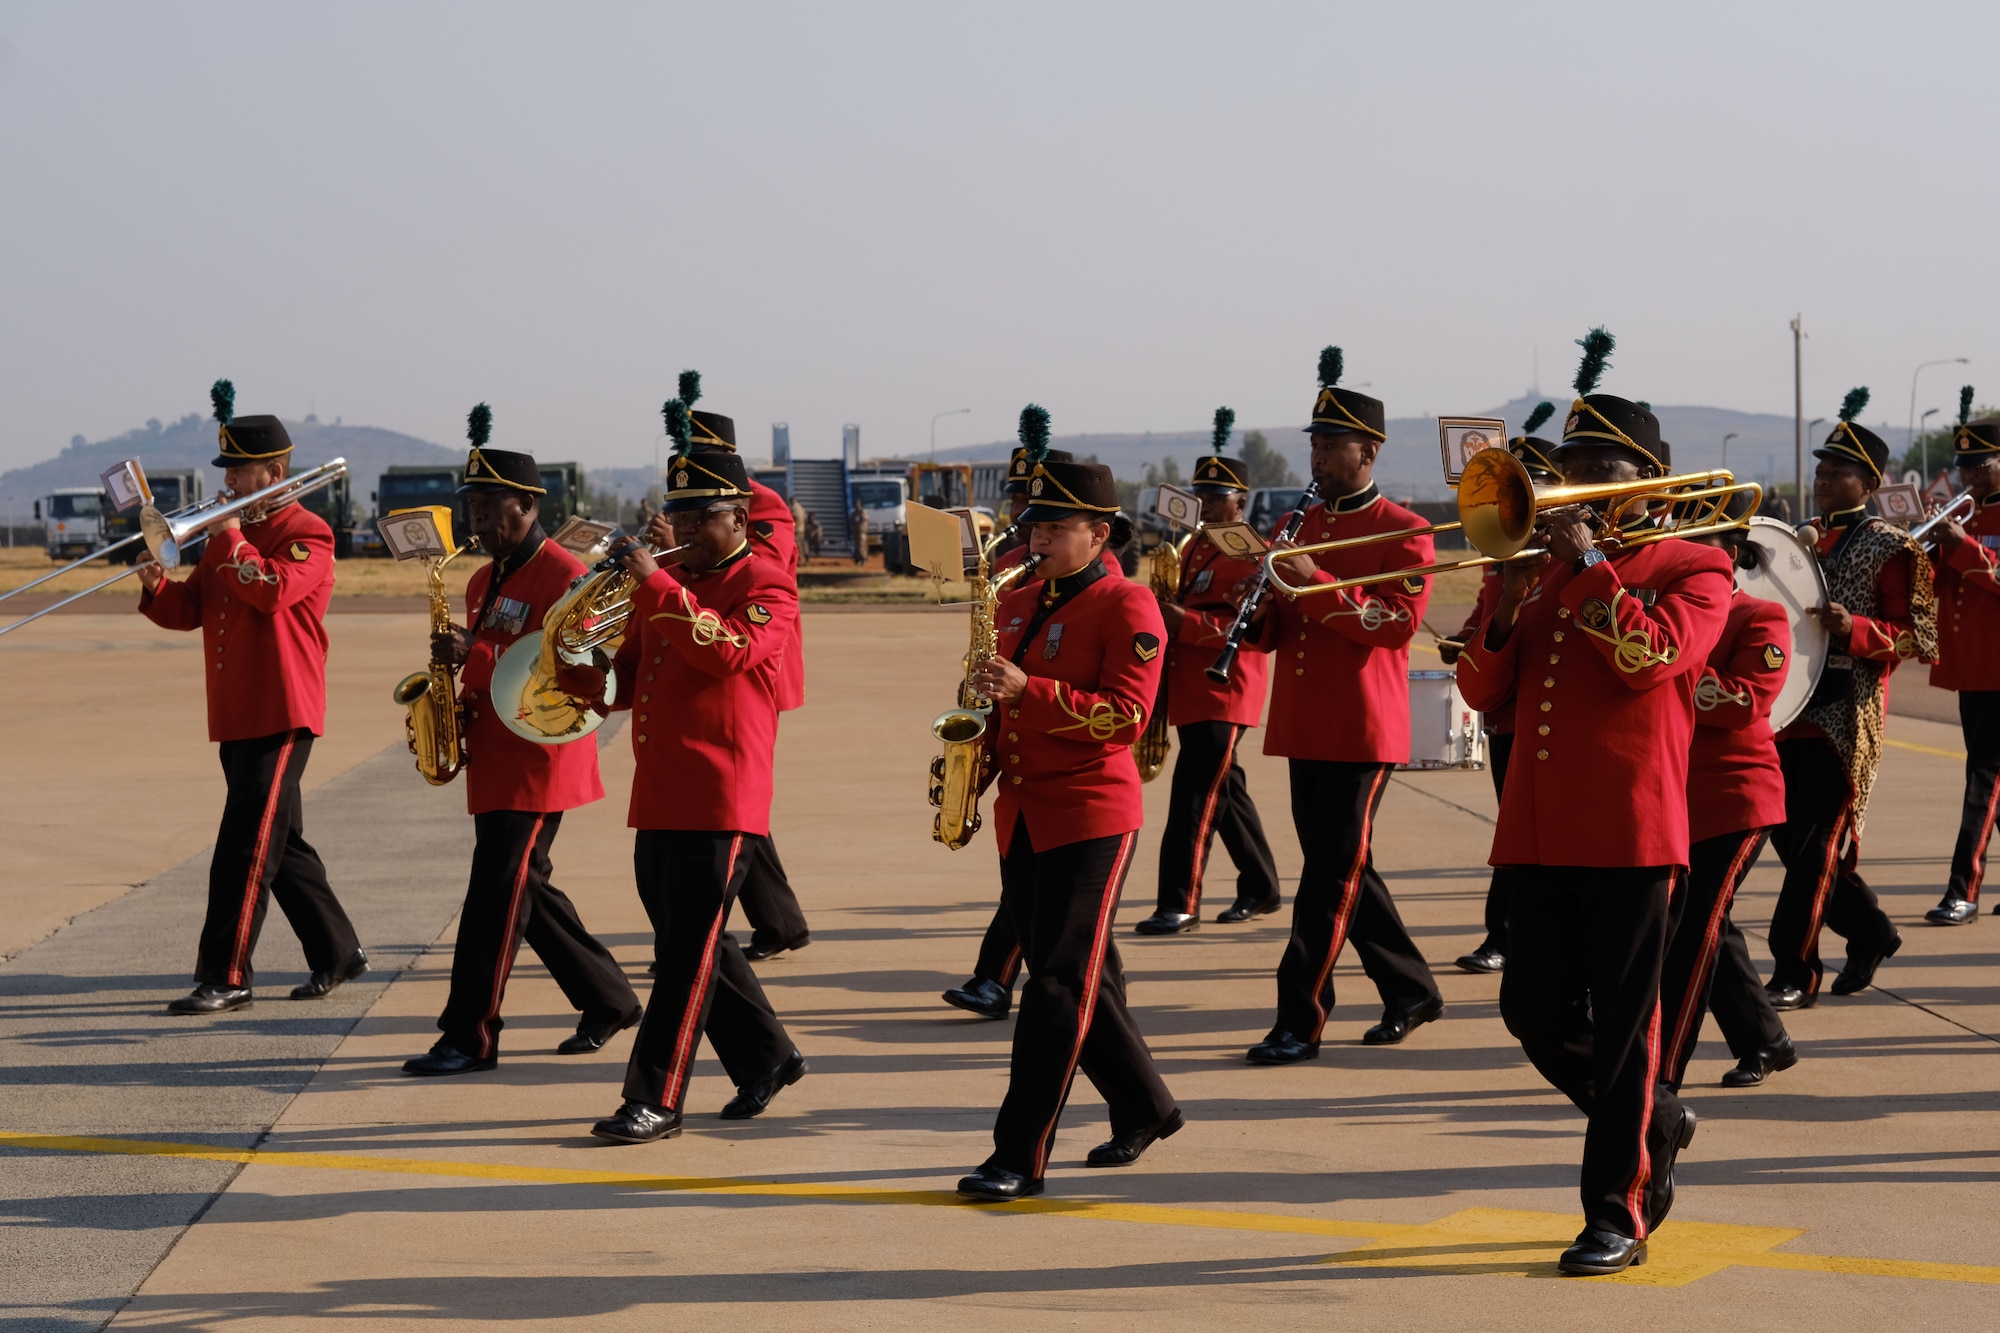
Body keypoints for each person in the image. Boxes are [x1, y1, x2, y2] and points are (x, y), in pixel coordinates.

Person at [1454, 330, 1727, 1274]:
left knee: (1622, 1032)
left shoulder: (1695, 566)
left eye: (1596, 469)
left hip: (1629, 831)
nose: (1571, 483)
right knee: (1530, 1009)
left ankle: (1617, 1210)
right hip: (1535, 830)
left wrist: (1596, 568)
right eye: (1566, 466)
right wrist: (1501, 600)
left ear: (1645, 482)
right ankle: (1655, 1118)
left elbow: (1654, 658)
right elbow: (1483, 693)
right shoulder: (1533, 573)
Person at [955, 452, 1181, 1200]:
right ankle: (1147, 1105)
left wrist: (1032, 689)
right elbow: (998, 706)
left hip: (1091, 814)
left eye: (1053, 528)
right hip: (1022, 815)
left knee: (1053, 986)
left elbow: (1126, 718)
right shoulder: (1018, 601)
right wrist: (972, 761)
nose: (1037, 540)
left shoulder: (1128, 606)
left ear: (1100, 532)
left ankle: (1018, 1153)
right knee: (1089, 981)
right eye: (1034, 526)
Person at [565, 449, 806, 1144]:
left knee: (683, 958)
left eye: (704, 517)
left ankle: (657, 1096)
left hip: (722, 791)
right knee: (690, 941)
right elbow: (632, 672)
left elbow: (728, 649)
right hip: (662, 786)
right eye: (681, 515)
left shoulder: (767, 581)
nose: (688, 528)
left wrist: (659, 589)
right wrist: (573, 665)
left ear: (741, 517)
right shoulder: (673, 581)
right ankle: (769, 1056)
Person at [400, 413, 641, 1076]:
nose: (478, 520)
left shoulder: (565, 576)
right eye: (471, 507)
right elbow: (494, 661)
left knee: (492, 899)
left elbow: (568, 668)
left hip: (541, 760)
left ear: (527, 505)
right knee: (525, 893)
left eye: (488, 507)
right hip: (497, 759)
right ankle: (609, 997)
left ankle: (470, 1034)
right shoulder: (485, 579)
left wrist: (474, 651)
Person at [137, 379, 366, 1015]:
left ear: (276, 470)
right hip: (237, 710)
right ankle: (339, 950)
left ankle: (227, 974)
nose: (230, 483)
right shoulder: (222, 537)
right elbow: (193, 612)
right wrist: (158, 585)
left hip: (283, 708)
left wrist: (231, 534)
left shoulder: (308, 531)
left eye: (240, 472)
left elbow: (270, 591)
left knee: (244, 846)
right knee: (280, 841)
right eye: (229, 472)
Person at [1244, 346, 1444, 1063]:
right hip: (1304, 719)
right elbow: (1273, 634)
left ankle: (1299, 1014)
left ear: (1370, 450)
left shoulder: (1405, 528)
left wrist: (1313, 578)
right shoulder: (1299, 523)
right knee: (1344, 867)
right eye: (1316, 444)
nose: (1319, 455)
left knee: (1328, 875)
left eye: (1332, 444)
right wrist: (1261, 596)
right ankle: (1411, 988)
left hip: (1364, 726)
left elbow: (1393, 625)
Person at [1766, 392, 1935, 1007]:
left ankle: (1794, 969)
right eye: (1820, 471)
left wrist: (1855, 629)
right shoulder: (1796, 542)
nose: (1823, 480)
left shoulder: (1893, 546)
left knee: (1811, 854)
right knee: (1794, 845)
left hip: (1843, 715)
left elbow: (1920, 635)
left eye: (1837, 472)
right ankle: (1873, 932)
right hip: (1786, 711)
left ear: (1870, 480)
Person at [661, 375, 813, 963]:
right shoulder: (690, 506)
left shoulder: (760, 504)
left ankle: (722, 930)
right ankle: (773, 921)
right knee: (732, 807)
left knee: (734, 792)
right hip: (697, 642)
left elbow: (757, 568)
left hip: (748, 650)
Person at [1658, 492, 1797, 1090]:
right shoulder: (1665, 612)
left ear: (1733, 554)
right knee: (1711, 924)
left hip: (1737, 797)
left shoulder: (1760, 618)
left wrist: (1669, 663)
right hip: (1678, 797)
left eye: (1701, 545)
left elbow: (1747, 701)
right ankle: (1765, 1038)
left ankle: (1660, 1072)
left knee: (1690, 934)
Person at [940, 438, 1077, 1020]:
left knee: (1053, 906)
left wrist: (1027, 691)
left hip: (1065, 754)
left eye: (1035, 506)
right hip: (1013, 733)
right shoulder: (1012, 565)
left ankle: (995, 979)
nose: (1025, 518)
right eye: (1019, 502)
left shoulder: (1100, 579)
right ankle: (1021, 983)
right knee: (1054, 909)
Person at [1136, 420, 1280, 933]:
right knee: (1227, 793)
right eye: (1200, 496)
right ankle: (1261, 887)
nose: (1206, 506)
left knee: (1193, 799)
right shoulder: (1196, 547)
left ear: (1239, 500)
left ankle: (1179, 901)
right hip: (1192, 687)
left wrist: (1184, 622)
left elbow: (1245, 625)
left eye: (1216, 498)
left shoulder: (1250, 551)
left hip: (1226, 687)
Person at [1443, 402, 1560, 973]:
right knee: (1513, 827)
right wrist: (1464, 640)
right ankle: (1506, 935)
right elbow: (1485, 615)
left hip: (1544, 714)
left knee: (1531, 833)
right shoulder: (1503, 560)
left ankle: (1506, 937)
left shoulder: (1561, 559)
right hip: (1506, 714)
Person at [1923, 402, 2000, 925]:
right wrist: (1927, 549)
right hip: (1975, 666)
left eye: (1982, 465)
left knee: (1983, 779)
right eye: (1966, 467)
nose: (1970, 475)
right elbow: (1934, 590)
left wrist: (1965, 547)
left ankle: (1962, 890)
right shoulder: (1961, 516)